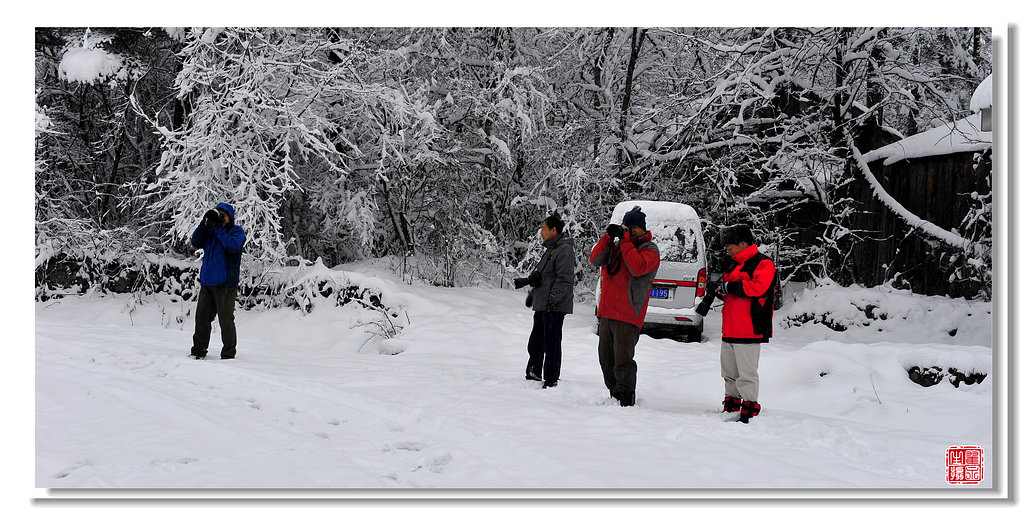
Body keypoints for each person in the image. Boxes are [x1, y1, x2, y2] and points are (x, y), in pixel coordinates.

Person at [589, 206, 660, 406]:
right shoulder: (619, 245)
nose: (629, 231)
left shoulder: (650, 250)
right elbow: (595, 259)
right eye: (626, 227)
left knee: (623, 360)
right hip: (607, 313)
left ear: (642, 229)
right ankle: (614, 395)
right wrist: (608, 238)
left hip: (628, 316)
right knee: (605, 359)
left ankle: (627, 399)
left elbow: (637, 267)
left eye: (633, 228)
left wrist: (626, 241)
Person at [713, 224, 777, 423]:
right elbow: (734, 294)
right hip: (730, 328)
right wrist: (720, 290)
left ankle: (750, 407)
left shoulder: (763, 264)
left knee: (746, 373)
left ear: (742, 243)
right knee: (729, 372)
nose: (727, 250)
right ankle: (731, 404)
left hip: (749, 329)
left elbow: (758, 288)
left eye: (730, 246)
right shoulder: (734, 265)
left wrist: (730, 286)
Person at [517, 212, 575, 389]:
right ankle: (533, 372)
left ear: (554, 230)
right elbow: (544, 277)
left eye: (543, 228)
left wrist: (552, 299)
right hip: (543, 304)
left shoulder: (564, 250)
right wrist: (533, 294)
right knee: (536, 341)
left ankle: (551, 379)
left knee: (551, 343)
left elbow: (564, 278)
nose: (541, 232)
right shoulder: (551, 249)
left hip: (554, 306)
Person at [190, 202, 246, 360]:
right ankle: (198, 351)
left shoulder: (237, 231)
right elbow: (195, 242)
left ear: (230, 217)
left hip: (226, 284)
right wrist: (204, 223)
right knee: (201, 319)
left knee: (226, 320)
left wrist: (219, 228)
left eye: (224, 214)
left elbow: (232, 246)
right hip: (207, 282)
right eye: (218, 213)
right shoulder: (210, 231)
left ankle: (228, 355)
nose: (221, 217)